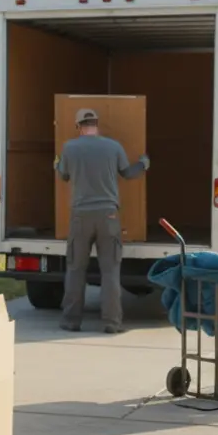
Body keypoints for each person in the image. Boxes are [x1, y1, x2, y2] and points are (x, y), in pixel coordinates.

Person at [54, 108, 149, 334]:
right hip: (108, 216)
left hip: (80, 216)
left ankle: (71, 321)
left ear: (79, 126)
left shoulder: (69, 148)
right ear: (97, 125)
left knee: (76, 269)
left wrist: (57, 164)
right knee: (110, 271)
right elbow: (127, 173)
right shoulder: (113, 146)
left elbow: (64, 175)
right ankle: (111, 323)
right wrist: (144, 163)